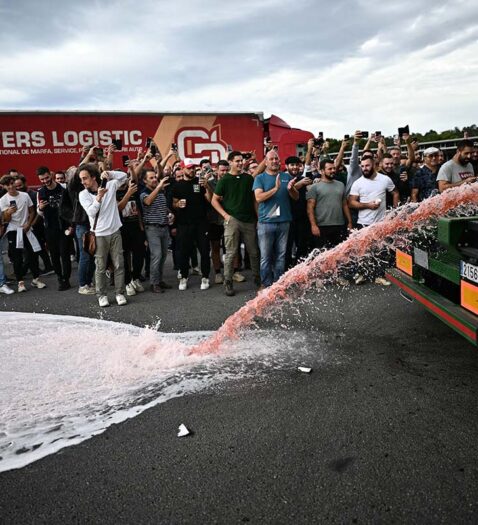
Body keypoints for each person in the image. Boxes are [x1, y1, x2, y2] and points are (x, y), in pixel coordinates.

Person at [212, 151, 261, 296]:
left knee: (253, 252)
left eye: (241, 161)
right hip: (232, 220)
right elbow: (214, 200)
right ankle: (228, 283)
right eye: (237, 161)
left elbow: (254, 200)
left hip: (250, 220)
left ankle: (258, 281)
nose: (240, 163)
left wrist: (258, 218)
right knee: (231, 253)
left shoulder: (248, 179)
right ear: (231, 162)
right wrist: (226, 216)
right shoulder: (224, 180)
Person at [78, 164, 128, 307]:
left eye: (85, 178)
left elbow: (124, 177)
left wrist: (108, 173)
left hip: (115, 231)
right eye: (81, 179)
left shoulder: (111, 185)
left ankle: (119, 293)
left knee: (119, 264)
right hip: (99, 234)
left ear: (94, 177)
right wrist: (98, 198)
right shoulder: (83, 194)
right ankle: (102, 295)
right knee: (100, 267)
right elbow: (91, 212)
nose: (83, 182)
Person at [348, 156, 399, 286]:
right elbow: (351, 203)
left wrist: (393, 212)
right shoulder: (358, 183)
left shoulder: (385, 179)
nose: (364, 168)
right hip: (363, 223)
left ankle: (379, 276)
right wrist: (367, 205)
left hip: (381, 223)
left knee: (381, 251)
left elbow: (395, 193)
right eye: (363, 166)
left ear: (375, 165)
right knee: (362, 251)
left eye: (367, 165)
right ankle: (361, 274)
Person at [253, 150, 299, 287]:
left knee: (281, 256)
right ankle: (266, 284)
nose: (274, 161)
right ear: (266, 162)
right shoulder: (260, 178)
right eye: (271, 159)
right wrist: (275, 189)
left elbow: (296, 197)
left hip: (284, 222)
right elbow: (258, 197)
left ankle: (278, 285)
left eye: (276, 159)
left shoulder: (286, 176)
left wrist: (291, 189)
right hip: (266, 223)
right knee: (266, 257)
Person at [0, 175, 46, 292]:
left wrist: (28, 224)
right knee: (17, 257)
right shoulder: (3, 200)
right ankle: (20, 282)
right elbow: (5, 220)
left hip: (27, 229)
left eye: (12, 183)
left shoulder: (25, 195)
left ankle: (36, 279)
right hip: (13, 231)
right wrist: (8, 213)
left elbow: (32, 211)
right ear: (4, 186)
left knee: (33, 254)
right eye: (7, 185)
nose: (11, 186)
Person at [172, 159, 211, 291]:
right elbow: (174, 203)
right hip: (184, 224)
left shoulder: (200, 183)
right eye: (189, 168)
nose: (192, 170)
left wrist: (207, 186)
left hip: (201, 223)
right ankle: (183, 276)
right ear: (182, 169)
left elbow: (210, 199)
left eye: (193, 167)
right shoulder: (177, 185)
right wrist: (177, 205)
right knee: (184, 252)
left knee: (205, 251)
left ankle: (205, 277)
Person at [36, 167, 72, 291]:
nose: (45, 181)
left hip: (63, 226)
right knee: (55, 255)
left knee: (64, 254)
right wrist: (40, 208)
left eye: (46, 178)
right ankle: (59, 277)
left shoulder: (63, 188)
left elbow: (70, 207)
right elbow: (39, 213)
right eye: (42, 179)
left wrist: (71, 225)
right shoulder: (40, 192)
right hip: (50, 228)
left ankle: (66, 279)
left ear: (51, 175)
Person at [306, 159, 352, 250]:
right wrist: (313, 225)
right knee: (322, 255)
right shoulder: (314, 187)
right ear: (322, 171)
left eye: (334, 168)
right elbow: (309, 208)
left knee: (339, 254)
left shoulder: (341, 185)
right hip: (322, 227)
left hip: (339, 225)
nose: (333, 171)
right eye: (330, 169)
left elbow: (344, 205)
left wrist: (349, 222)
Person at [140, 168, 171, 293]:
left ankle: (159, 280)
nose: (154, 180)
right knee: (156, 255)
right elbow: (147, 201)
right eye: (151, 178)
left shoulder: (161, 192)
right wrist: (159, 187)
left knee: (163, 256)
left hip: (164, 227)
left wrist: (170, 213)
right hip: (152, 228)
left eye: (155, 177)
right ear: (144, 181)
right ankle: (154, 283)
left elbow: (163, 207)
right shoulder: (144, 193)